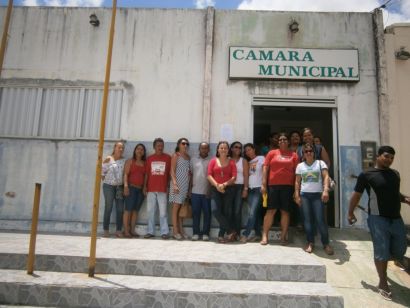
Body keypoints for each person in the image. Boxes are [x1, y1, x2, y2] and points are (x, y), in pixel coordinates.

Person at [348, 146, 410, 300]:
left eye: (391, 158)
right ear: (378, 156)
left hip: (396, 218)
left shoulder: (395, 174)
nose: (389, 160)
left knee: (401, 248)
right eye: (386, 156)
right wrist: (350, 212)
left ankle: (387, 260)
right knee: (381, 251)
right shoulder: (366, 174)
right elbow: (356, 195)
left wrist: (406, 199)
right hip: (377, 218)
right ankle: (383, 282)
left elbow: (394, 193)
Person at [294, 143, 334, 255]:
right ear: (303, 154)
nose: (308, 153)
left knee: (320, 220)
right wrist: (296, 195)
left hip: (317, 195)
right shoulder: (300, 166)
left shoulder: (320, 163)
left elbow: (326, 177)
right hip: (304, 195)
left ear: (314, 153)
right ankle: (310, 242)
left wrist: (325, 190)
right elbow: (297, 181)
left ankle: (326, 244)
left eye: (310, 151)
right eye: (306, 151)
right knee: (307, 221)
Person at [260, 133, 298, 245]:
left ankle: (283, 237)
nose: (282, 141)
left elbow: (297, 173)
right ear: (278, 142)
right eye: (280, 139)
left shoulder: (294, 155)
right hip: (273, 186)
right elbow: (265, 168)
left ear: (288, 141)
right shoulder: (272, 153)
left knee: (285, 212)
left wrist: (296, 190)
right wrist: (263, 184)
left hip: (288, 186)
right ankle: (265, 236)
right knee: (270, 210)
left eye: (285, 139)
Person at [207, 141, 237, 243]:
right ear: (218, 149)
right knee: (215, 210)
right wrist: (217, 185)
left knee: (226, 212)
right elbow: (209, 175)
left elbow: (234, 177)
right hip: (215, 189)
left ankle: (221, 235)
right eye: (221, 148)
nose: (223, 149)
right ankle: (230, 231)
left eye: (225, 148)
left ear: (228, 150)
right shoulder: (213, 161)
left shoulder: (232, 162)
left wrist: (224, 184)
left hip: (229, 189)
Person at [143, 138, 171, 239]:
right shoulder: (150, 158)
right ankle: (150, 231)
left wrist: (168, 186)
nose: (160, 147)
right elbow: (147, 174)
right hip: (150, 189)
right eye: (158, 145)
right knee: (150, 211)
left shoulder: (168, 158)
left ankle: (165, 232)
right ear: (154, 147)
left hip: (163, 189)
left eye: (162, 145)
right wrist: (144, 187)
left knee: (163, 212)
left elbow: (170, 174)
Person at [241, 143, 264, 243]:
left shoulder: (261, 158)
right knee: (255, 213)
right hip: (250, 189)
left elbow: (265, 172)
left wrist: (264, 185)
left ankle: (246, 234)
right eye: (246, 151)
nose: (248, 152)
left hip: (258, 188)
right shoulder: (247, 162)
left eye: (249, 149)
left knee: (252, 213)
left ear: (254, 149)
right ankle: (258, 234)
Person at [102, 141, 126, 238]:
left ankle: (118, 230)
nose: (120, 149)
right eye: (119, 147)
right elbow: (102, 172)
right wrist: (108, 181)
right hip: (108, 186)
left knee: (120, 209)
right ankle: (106, 229)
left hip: (120, 187)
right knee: (108, 207)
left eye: (122, 148)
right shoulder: (109, 158)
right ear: (114, 148)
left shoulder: (124, 160)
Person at [123, 143, 146, 238]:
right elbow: (125, 174)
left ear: (144, 152)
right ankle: (126, 231)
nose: (140, 151)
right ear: (135, 150)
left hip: (140, 190)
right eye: (138, 149)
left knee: (135, 211)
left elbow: (145, 176)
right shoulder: (130, 161)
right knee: (128, 210)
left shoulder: (145, 163)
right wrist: (125, 186)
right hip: (131, 188)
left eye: (142, 149)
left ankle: (132, 230)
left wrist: (144, 187)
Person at [169, 138, 191, 240]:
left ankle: (181, 231)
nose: (185, 145)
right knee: (175, 208)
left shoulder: (188, 157)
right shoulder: (176, 155)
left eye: (186, 144)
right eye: (183, 143)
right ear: (178, 144)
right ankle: (175, 231)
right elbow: (172, 171)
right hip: (177, 185)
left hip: (185, 185)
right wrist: (174, 184)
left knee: (181, 209)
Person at [190, 142, 212, 241]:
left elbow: (213, 177)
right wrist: (189, 189)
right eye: (202, 148)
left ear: (209, 149)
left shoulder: (212, 160)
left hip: (207, 192)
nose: (204, 150)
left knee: (207, 213)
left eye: (206, 148)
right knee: (195, 213)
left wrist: (209, 189)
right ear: (199, 149)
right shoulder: (193, 160)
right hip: (195, 192)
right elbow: (190, 174)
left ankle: (206, 233)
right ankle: (195, 233)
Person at [229, 141, 249, 240]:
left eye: (240, 148)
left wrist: (245, 189)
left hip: (239, 188)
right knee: (229, 211)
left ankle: (236, 233)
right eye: (236, 147)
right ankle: (230, 232)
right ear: (231, 148)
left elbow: (246, 176)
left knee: (237, 211)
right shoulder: (227, 160)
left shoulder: (243, 161)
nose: (238, 149)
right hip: (229, 187)